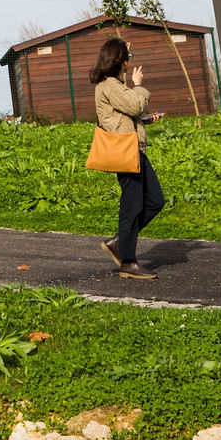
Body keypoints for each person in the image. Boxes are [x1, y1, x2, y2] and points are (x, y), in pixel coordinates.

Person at [90, 36, 163, 280]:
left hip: (134, 148)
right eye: (128, 59)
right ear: (119, 61)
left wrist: (144, 121)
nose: (130, 64)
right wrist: (138, 85)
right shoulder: (110, 84)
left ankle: (120, 243)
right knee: (133, 204)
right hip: (125, 151)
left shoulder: (112, 85)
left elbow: (126, 116)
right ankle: (128, 261)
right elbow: (134, 105)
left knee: (155, 201)